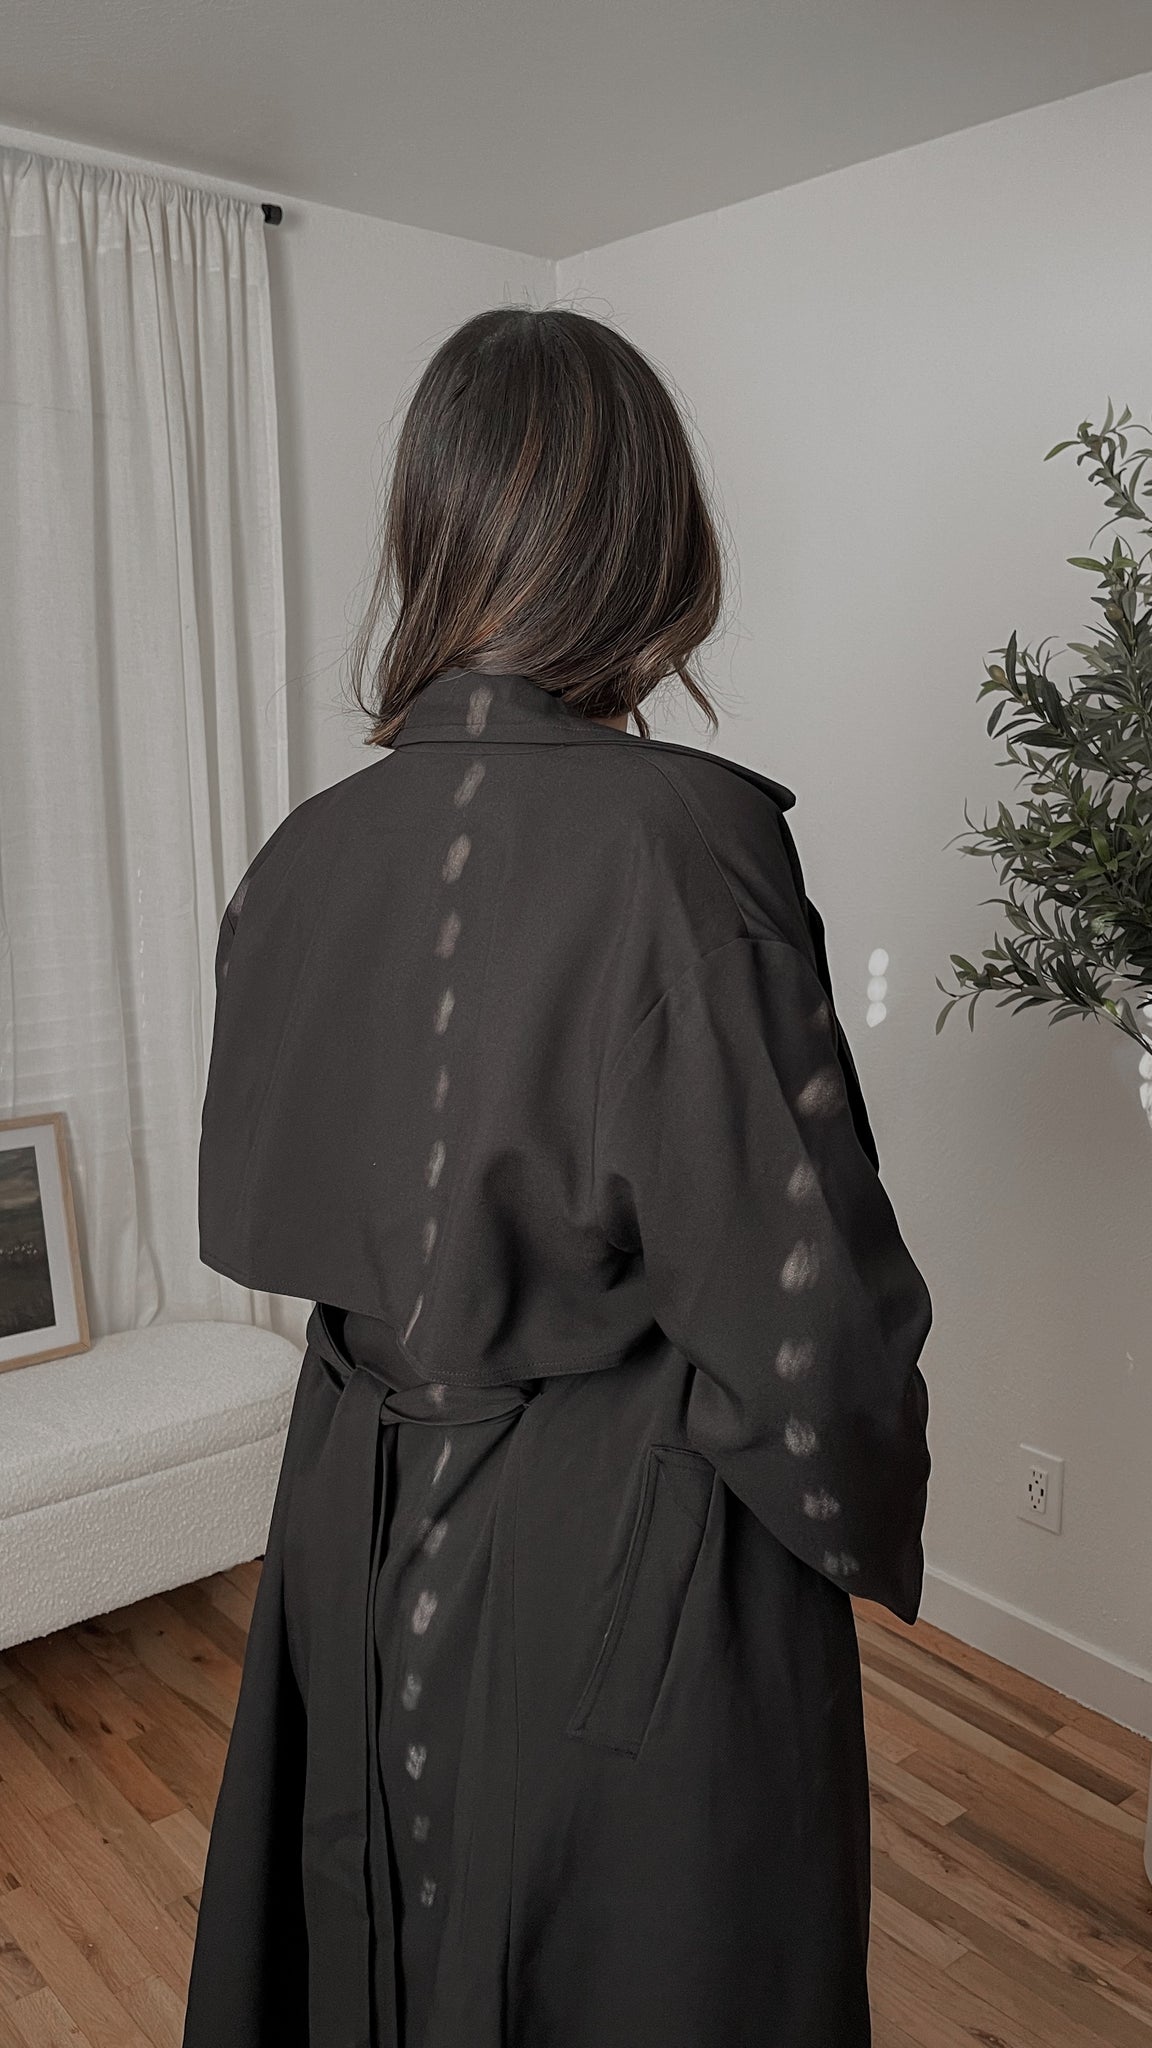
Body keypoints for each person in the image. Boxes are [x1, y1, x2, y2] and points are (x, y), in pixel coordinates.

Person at [183, 305, 932, 2048]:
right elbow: (804, 1316)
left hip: (349, 1520)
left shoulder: (301, 852)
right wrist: (859, 1500)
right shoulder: (690, 841)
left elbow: (291, 1195)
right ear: (648, 535)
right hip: (627, 1553)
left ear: (433, 529)